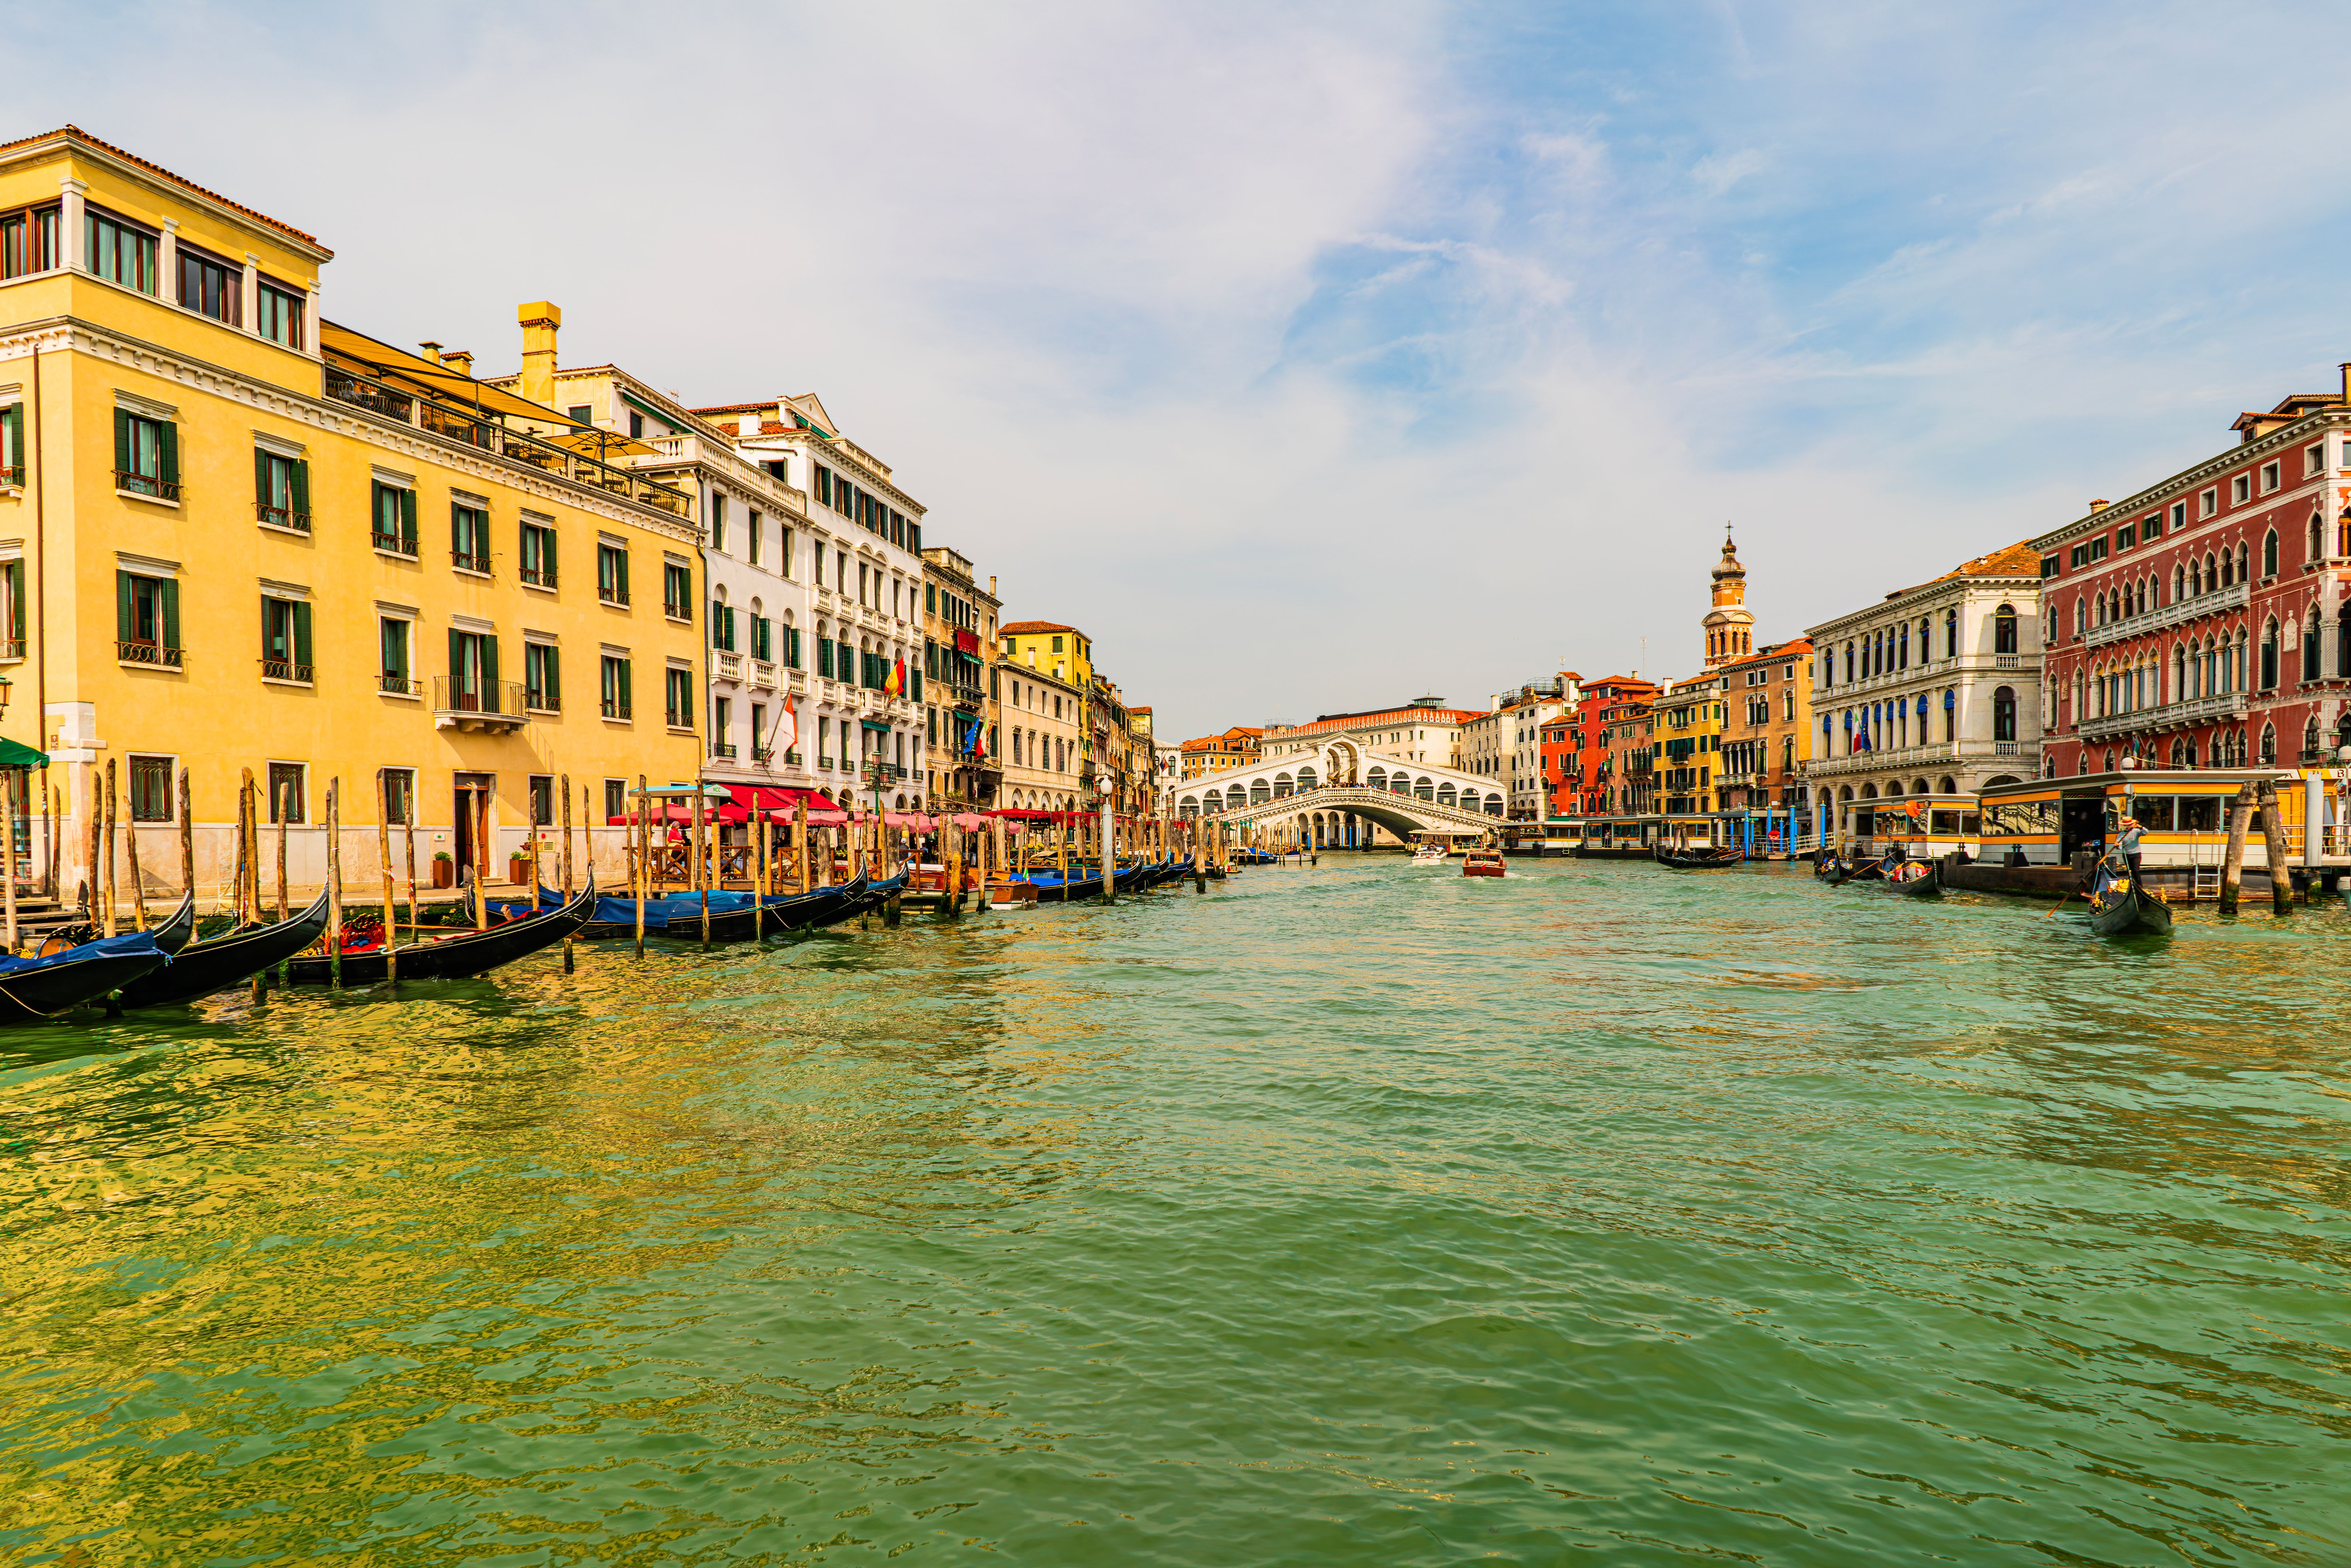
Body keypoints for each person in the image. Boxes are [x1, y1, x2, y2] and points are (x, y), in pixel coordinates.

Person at [2115, 813, 2145, 887]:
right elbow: (2120, 846)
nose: (2129, 826)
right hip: (2126, 855)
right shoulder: (2121, 834)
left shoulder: (2136, 831)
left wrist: (2140, 827)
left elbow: (2145, 832)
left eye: (2130, 825)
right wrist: (2118, 845)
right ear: (2125, 826)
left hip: (2136, 855)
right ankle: (2132, 886)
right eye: (2127, 825)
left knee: (2136, 871)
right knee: (2130, 871)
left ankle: (2140, 886)